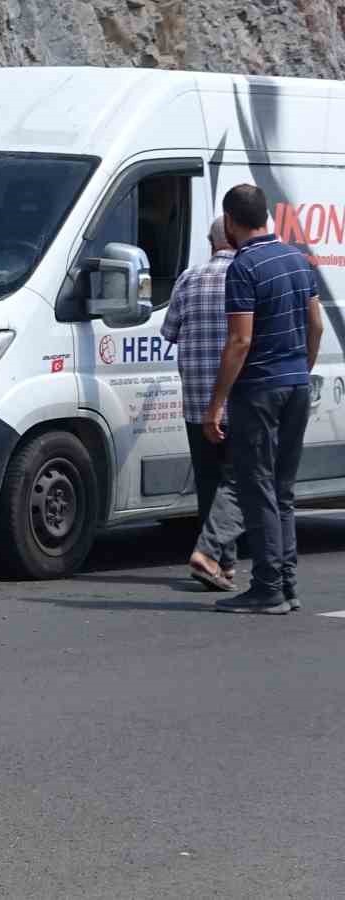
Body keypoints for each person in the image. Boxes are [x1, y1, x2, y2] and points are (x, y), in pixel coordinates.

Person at [203, 184, 325, 614]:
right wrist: (301, 368)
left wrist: (216, 403)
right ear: (267, 218)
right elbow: (317, 325)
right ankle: (287, 585)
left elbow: (239, 340)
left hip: (259, 390)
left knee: (257, 490)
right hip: (295, 385)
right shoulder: (297, 257)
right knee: (284, 490)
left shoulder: (245, 266)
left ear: (231, 222)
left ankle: (268, 587)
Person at [161, 217, 241, 591]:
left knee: (211, 482)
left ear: (211, 242)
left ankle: (221, 562)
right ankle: (219, 559)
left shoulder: (189, 278)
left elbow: (169, 332)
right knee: (240, 481)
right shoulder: (247, 275)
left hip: (197, 401)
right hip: (238, 398)